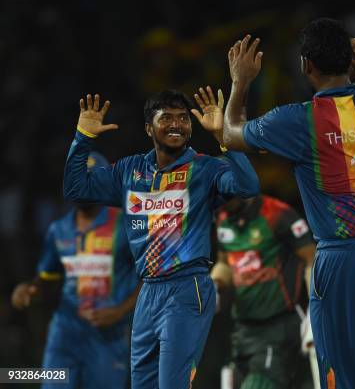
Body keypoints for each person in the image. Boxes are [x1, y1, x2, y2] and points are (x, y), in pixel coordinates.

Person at [217, 18, 355, 388]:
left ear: (306, 65)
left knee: (343, 377)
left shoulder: (294, 120)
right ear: (352, 61)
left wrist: (240, 82)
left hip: (344, 255)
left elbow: (229, 132)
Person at [63, 89, 260, 388]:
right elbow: (76, 189)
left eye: (183, 118)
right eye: (166, 118)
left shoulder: (205, 169)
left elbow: (247, 187)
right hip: (148, 292)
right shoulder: (130, 171)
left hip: (187, 287)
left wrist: (225, 137)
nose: (176, 124)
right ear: (148, 128)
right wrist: (82, 138)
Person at [12, 152, 140, 389]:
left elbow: (149, 277)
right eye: (77, 178)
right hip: (64, 334)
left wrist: (120, 312)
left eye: (90, 179)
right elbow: (46, 279)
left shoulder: (126, 224)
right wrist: (29, 290)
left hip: (109, 337)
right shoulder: (58, 230)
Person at [212, 194, 316, 389]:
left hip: (278, 328)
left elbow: (312, 259)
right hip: (242, 330)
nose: (220, 202)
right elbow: (225, 263)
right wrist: (213, 287)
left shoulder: (277, 213)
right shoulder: (223, 217)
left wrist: (316, 309)